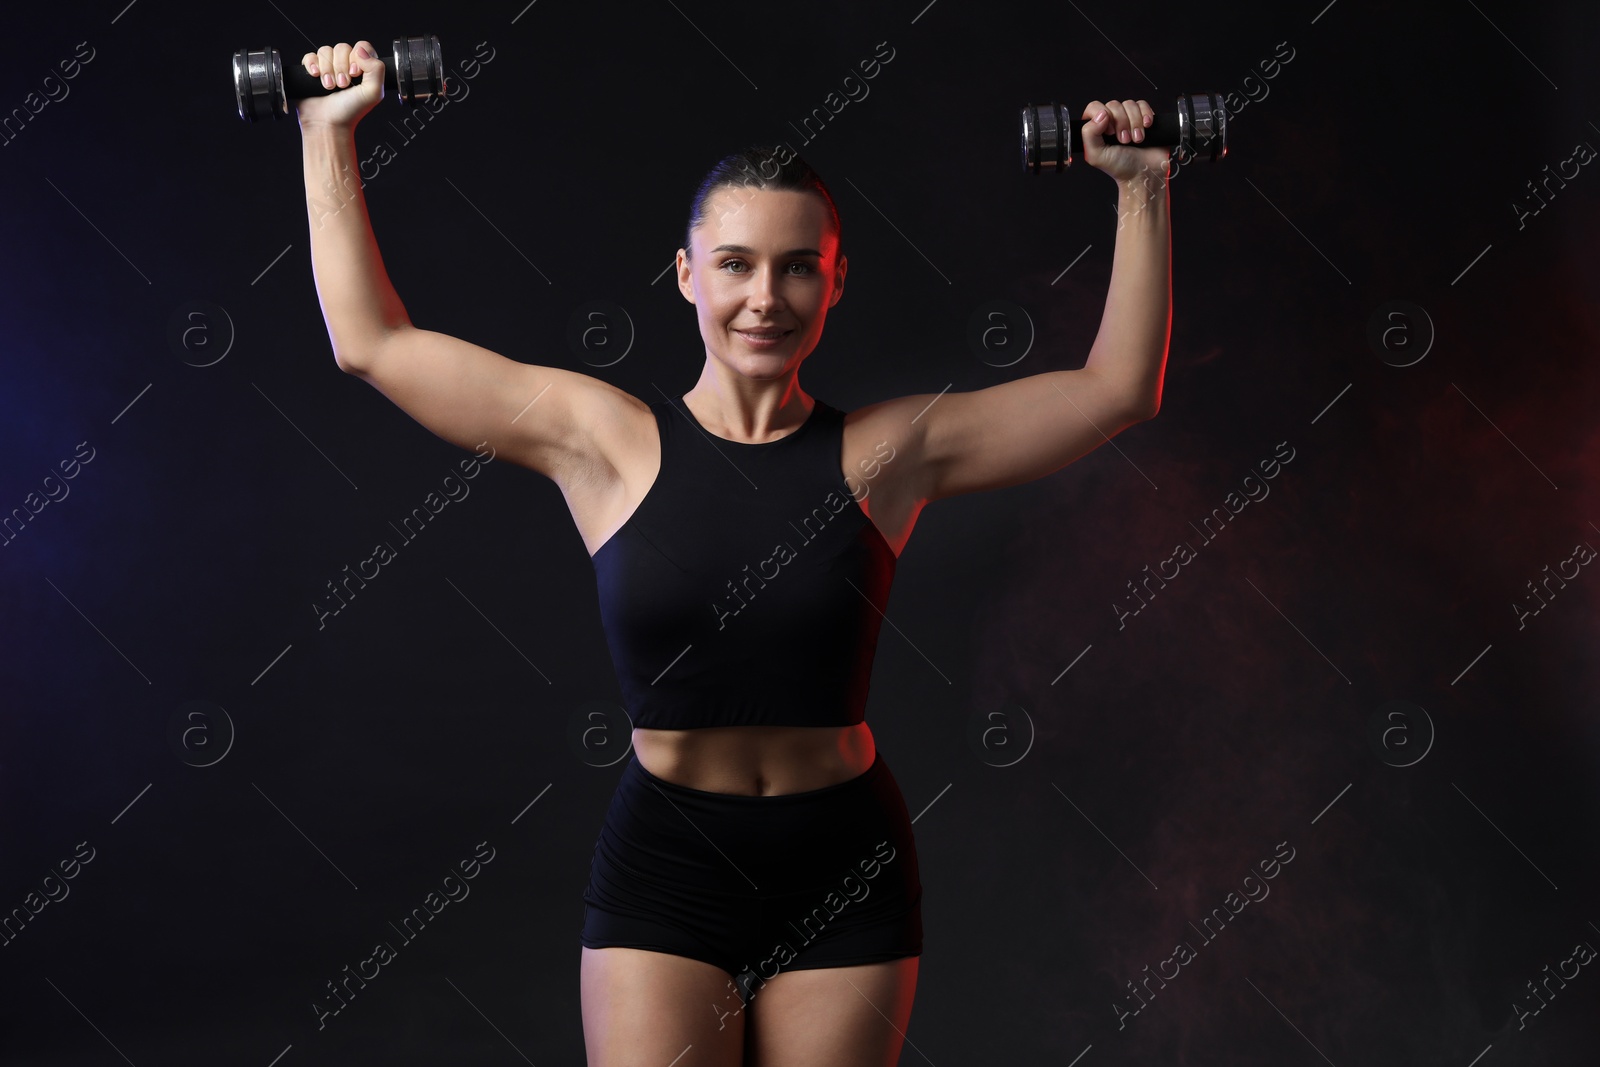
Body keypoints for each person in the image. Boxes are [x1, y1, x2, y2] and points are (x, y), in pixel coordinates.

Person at [295, 38, 1170, 1067]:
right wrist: (328, 135)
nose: (767, 296)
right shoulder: (603, 439)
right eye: (736, 264)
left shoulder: (886, 452)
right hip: (667, 861)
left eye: (801, 266)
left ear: (836, 284)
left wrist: (1139, 192)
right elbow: (372, 342)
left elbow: (1117, 389)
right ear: (686, 275)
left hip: (841, 859)